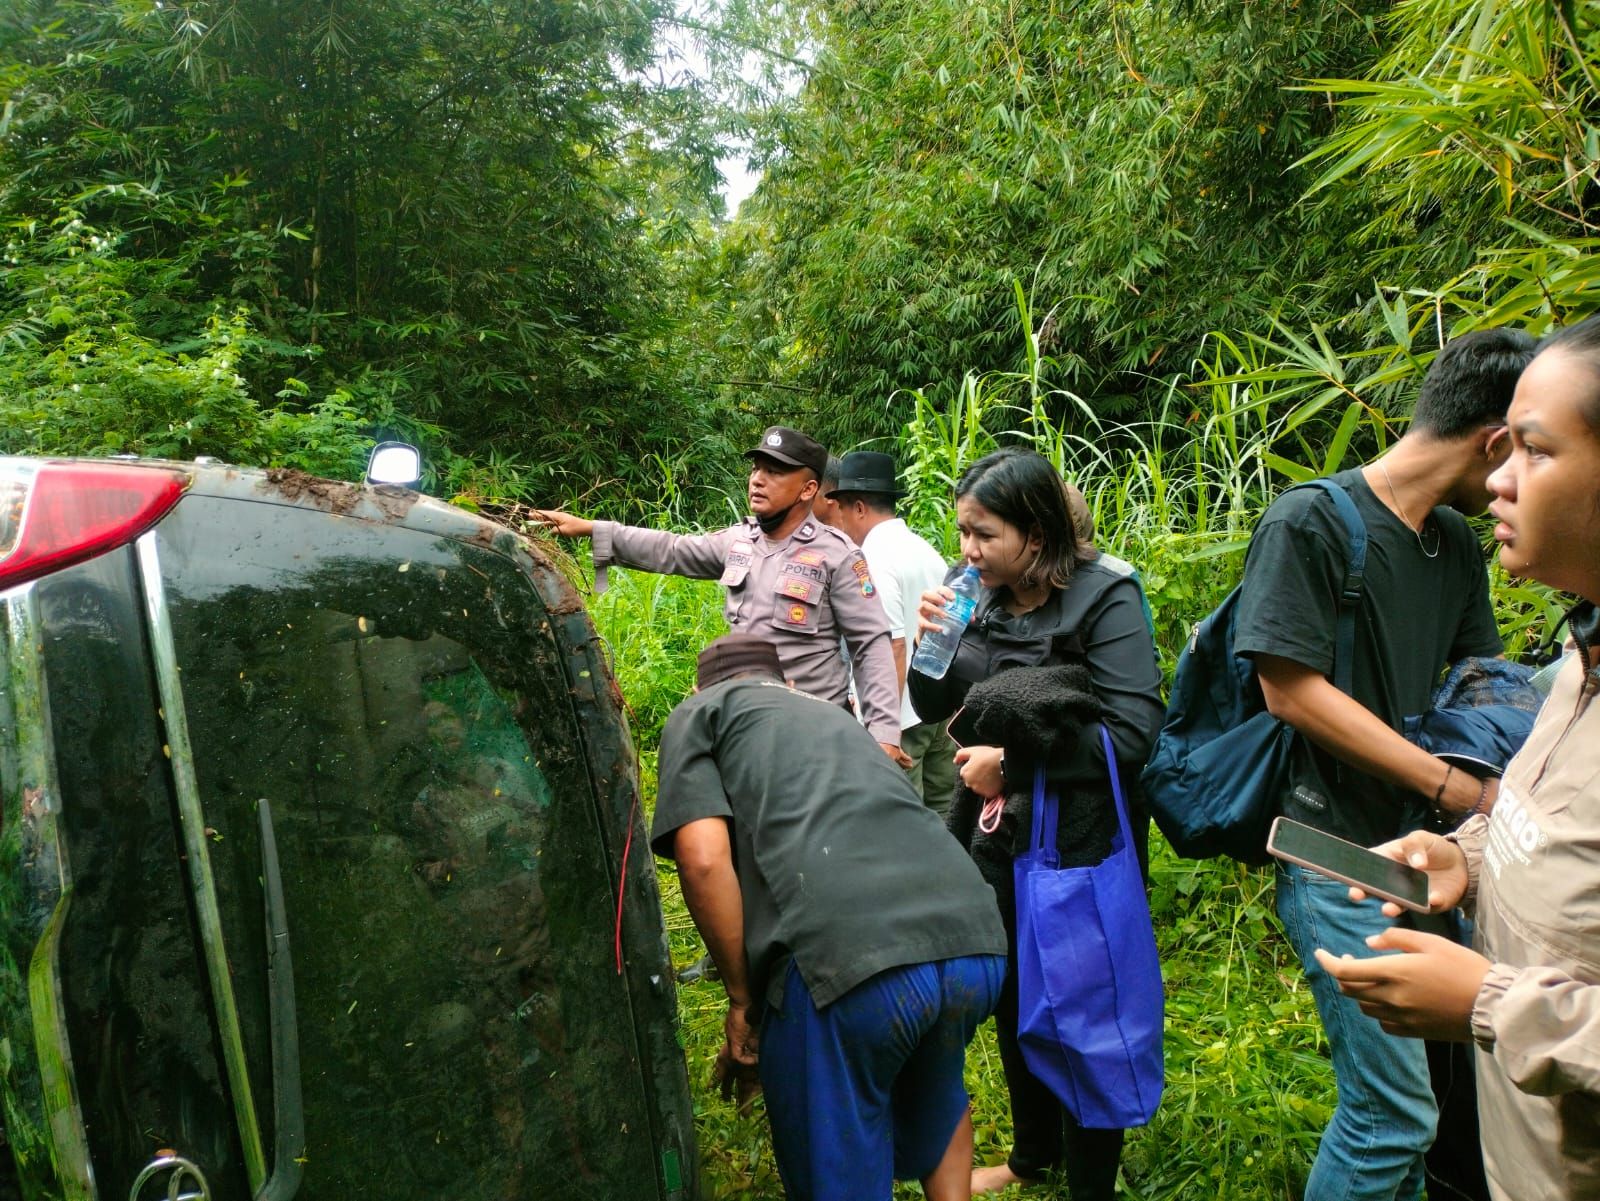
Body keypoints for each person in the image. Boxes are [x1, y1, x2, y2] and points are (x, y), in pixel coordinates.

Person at [1234, 327, 1537, 1201]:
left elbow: (1477, 682)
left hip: (1432, 860)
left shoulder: (1453, 542)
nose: (1520, 482)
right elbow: (1288, 689)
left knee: (1428, 1113)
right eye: (1529, 449)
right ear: (1495, 440)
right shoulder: (1312, 519)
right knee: (1392, 1112)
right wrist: (1444, 782)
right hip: (1340, 853)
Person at [1316, 312, 1600, 1201]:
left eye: (1536, 451)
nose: (1501, 479)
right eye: (1503, 447)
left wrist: (1487, 1000)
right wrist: (1465, 858)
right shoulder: (1577, 669)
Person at [652, 632, 1008, 1201]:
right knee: (936, 1092)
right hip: (974, 939)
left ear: (699, 688)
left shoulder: (701, 712)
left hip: (853, 964)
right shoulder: (836, 716)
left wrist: (744, 1003)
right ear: (787, 683)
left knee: (837, 1149)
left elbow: (701, 858)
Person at [906, 448, 1164, 1199]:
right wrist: (933, 644)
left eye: (984, 534)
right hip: (995, 832)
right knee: (1015, 991)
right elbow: (931, 706)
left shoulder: (1103, 597)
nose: (967, 551)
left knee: (1082, 1003)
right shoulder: (971, 590)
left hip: (1079, 840)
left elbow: (1133, 736)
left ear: (1039, 530)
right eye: (961, 532)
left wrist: (1014, 767)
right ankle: (1032, 1154)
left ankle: (1092, 1184)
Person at [535, 426, 906, 761]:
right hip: (743, 724)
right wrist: (596, 530)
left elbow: (869, 643)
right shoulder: (739, 542)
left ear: (809, 489)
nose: (758, 480)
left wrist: (884, 734)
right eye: (756, 469)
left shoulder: (837, 555)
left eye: (774, 472)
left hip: (814, 733)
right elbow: (672, 549)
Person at [820, 449, 959, 813]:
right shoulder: (924, 549)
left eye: (843, 510)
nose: (841, 521)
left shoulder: (873, 558)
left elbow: (891, 647)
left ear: (860, 508)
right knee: (944, 811)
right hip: (939, 707)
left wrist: (885, 730)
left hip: (903, 717)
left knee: (903, 816)